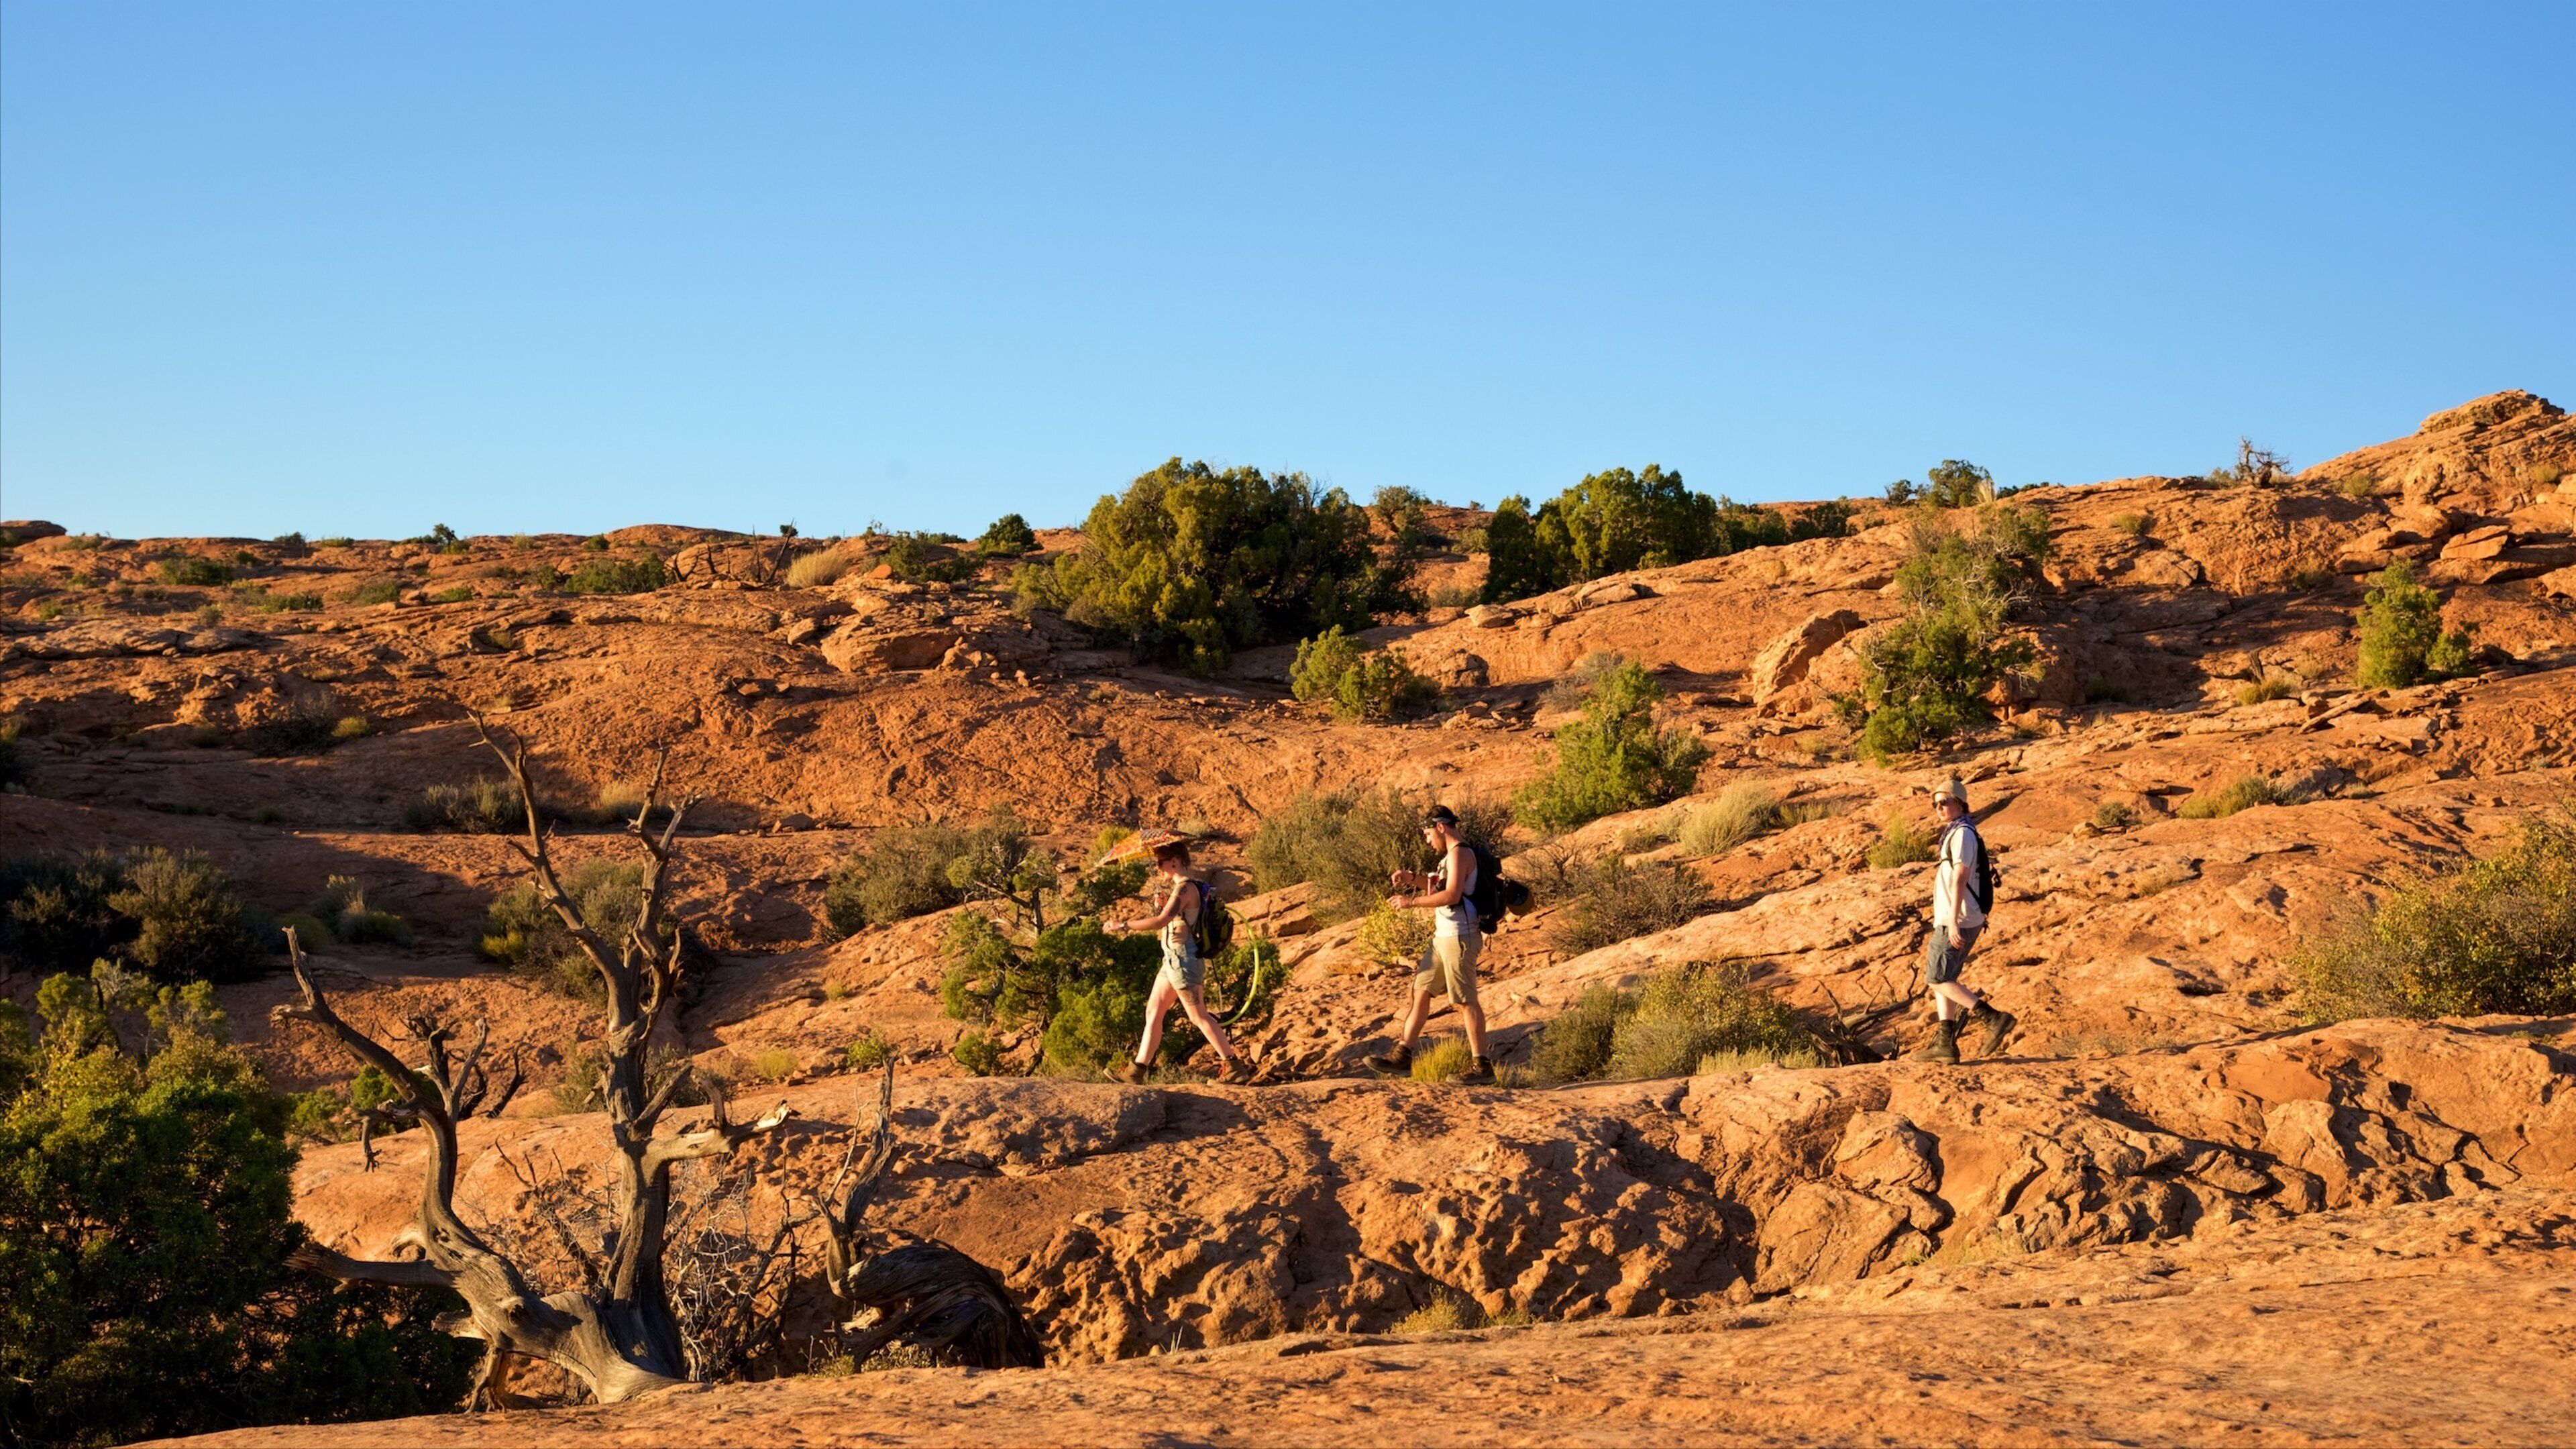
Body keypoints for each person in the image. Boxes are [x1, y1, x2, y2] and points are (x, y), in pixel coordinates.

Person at [1103, 832, 1250, 1084]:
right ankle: (1136, 1071)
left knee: (1198, 1016)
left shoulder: (1185, 888)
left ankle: (1233, 1065)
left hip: (1183, 960)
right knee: (1154, 1011)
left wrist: (1124, 926)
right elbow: (1171, 919)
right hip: (1172, 960)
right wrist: (1163, 904)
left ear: (1175, 862)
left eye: (1161, 861)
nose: (1158, 866)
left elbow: (1162, 921)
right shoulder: (1182, 889)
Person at [1365, 806, 1495, 1085]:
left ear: (1440, 827)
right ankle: (1403, 1056)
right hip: (1442, 938)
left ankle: (1482, 1067)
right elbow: (1438, 887)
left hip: (1460, 936)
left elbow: (1451, 894)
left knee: (1465, 1000)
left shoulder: (1461, 854)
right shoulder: (1450, 857)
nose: (1427, 841)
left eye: (1427, 834)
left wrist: (1410, 902)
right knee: (1421, 990)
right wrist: (1412, 879)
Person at [1909, 777, 2017, 1063]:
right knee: (1945, 978)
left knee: (1936, 977)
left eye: (1945, 802)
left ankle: (1994, 1019)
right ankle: (1945, 1044)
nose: (1940, 808)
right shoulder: (1957, 832)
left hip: (1957, 917)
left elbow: (1961, 875)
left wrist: (1953, 920)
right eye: (1936, 804)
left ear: (1961, 803)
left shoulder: (1962, 834)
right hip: (1957, 916)